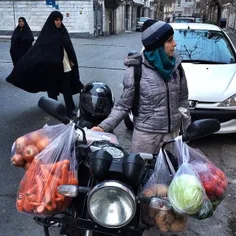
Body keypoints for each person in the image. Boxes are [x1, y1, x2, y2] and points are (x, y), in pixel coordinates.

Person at [92, 20, 191, 154]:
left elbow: (183, 100)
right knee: (142, 174)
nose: (175, 44)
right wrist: (104, 127)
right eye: (169, 40)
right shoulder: (136, 71)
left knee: (170, 173)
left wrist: (187, 129)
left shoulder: (176, 68)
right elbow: (123, 106)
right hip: (146, 139)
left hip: (171, 137)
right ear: (157, 45)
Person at [6, 11, 84, 118]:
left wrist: (71, 59)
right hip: (52, 68)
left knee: (67, 88)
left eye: (60, 20)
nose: (58, 22)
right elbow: (38, 50)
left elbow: (68, 47)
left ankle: (70, 110)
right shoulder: (47, 34)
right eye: (56, 20)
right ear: (52, 21)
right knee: (52, 90)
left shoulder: (63, 31)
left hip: (65, 66)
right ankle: (55, 111)